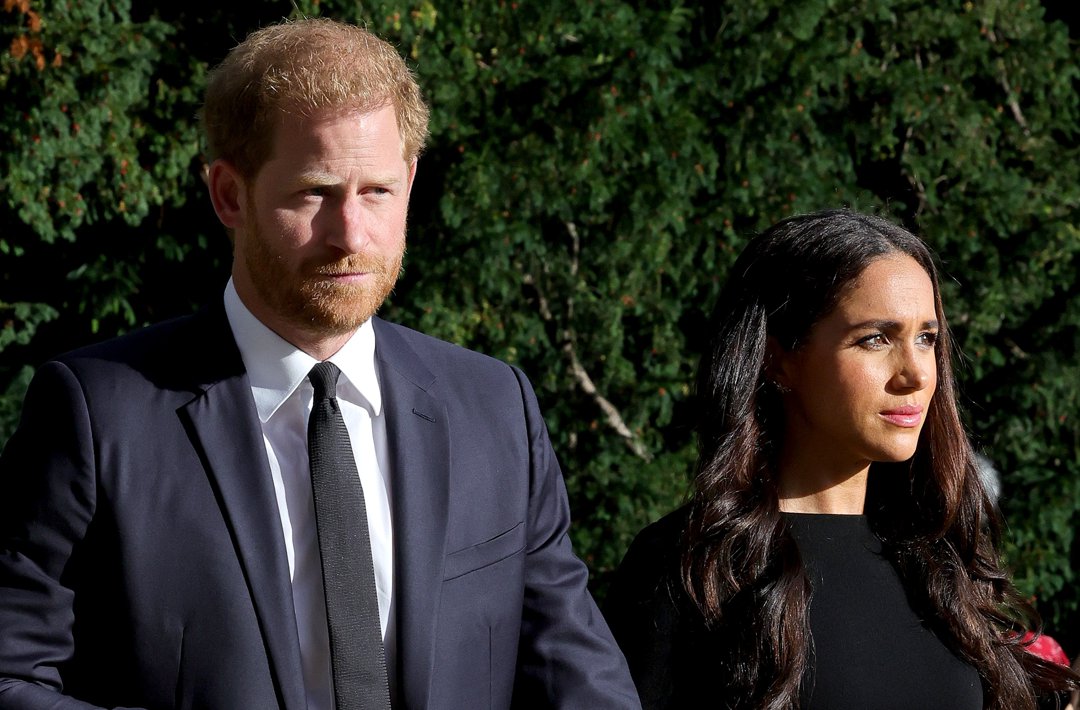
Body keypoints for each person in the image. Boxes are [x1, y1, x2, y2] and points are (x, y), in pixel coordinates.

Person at [0, 18, 640, 710]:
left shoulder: (495, 408)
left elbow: (579, 681)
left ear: (411, 182)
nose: (350, 236)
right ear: (227, 194)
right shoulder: (99, 414)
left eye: (377, 192)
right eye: (314, 192)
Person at [604, 209, 1079, 709]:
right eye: (875, 339)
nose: (916, 373)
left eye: (927, 338)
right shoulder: (692, 566)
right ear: (779, 357)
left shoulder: (941, 558)